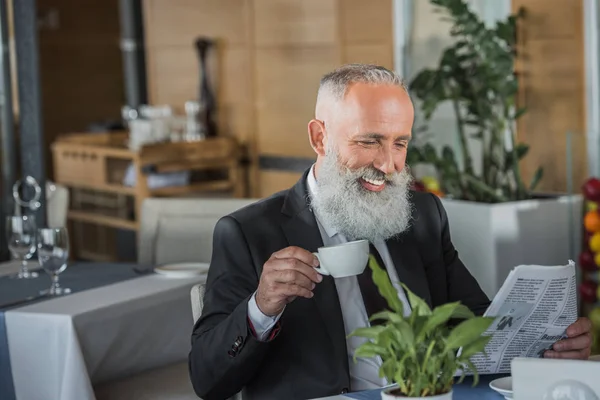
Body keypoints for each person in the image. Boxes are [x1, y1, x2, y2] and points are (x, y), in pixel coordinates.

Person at [189, 64, 592, 400]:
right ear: (319, 137)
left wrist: (547, 347)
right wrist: (261, 306)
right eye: (370, 141)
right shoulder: (247, 232)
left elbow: (474, 326)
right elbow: (208, 380)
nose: (388, 164)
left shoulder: (423, 216)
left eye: (400, 143)